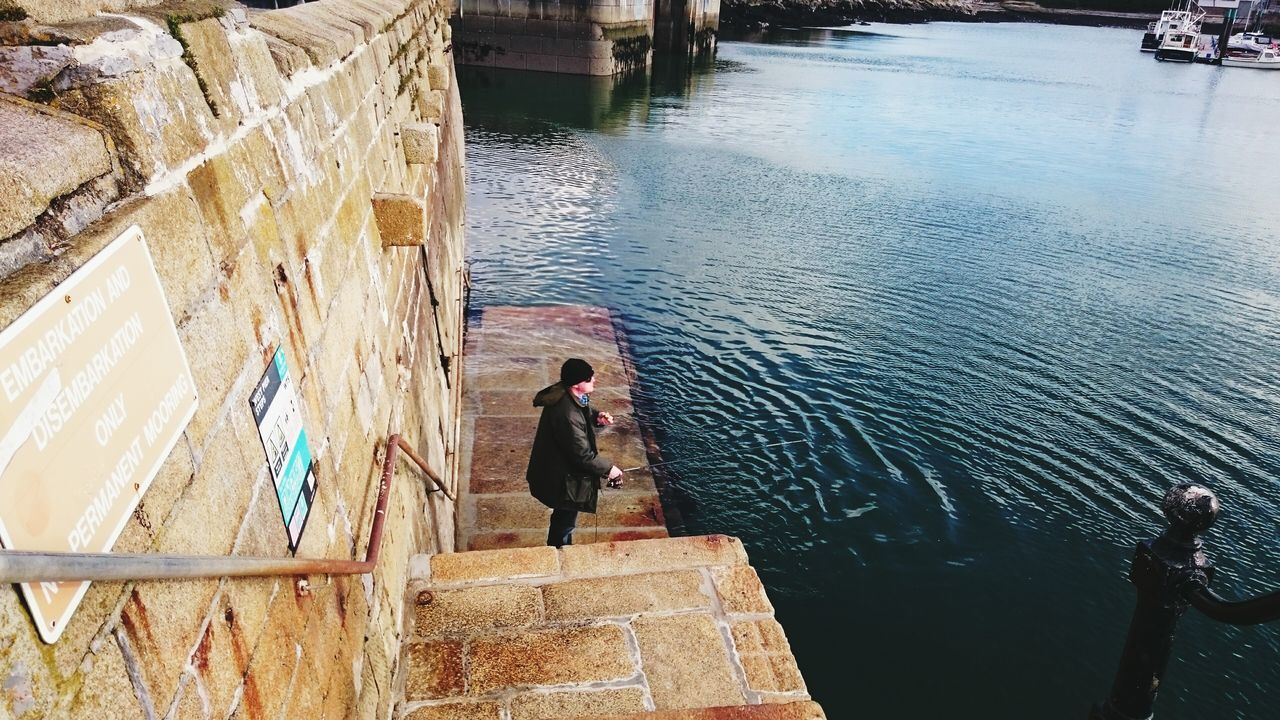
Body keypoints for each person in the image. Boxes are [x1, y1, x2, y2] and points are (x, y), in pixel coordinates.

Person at [526, 358, 623, 547]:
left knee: (564, 516)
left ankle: (560, 547)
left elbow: (584, 408)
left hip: (559, 470)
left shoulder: (571, 394)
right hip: (562, 478)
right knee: (565, 520)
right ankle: (559, 552)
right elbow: (583, 456)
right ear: (577, 384)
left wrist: (597, 417)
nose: (594, 380)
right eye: (588, 379)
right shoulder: (567, 416)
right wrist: (611, 470)